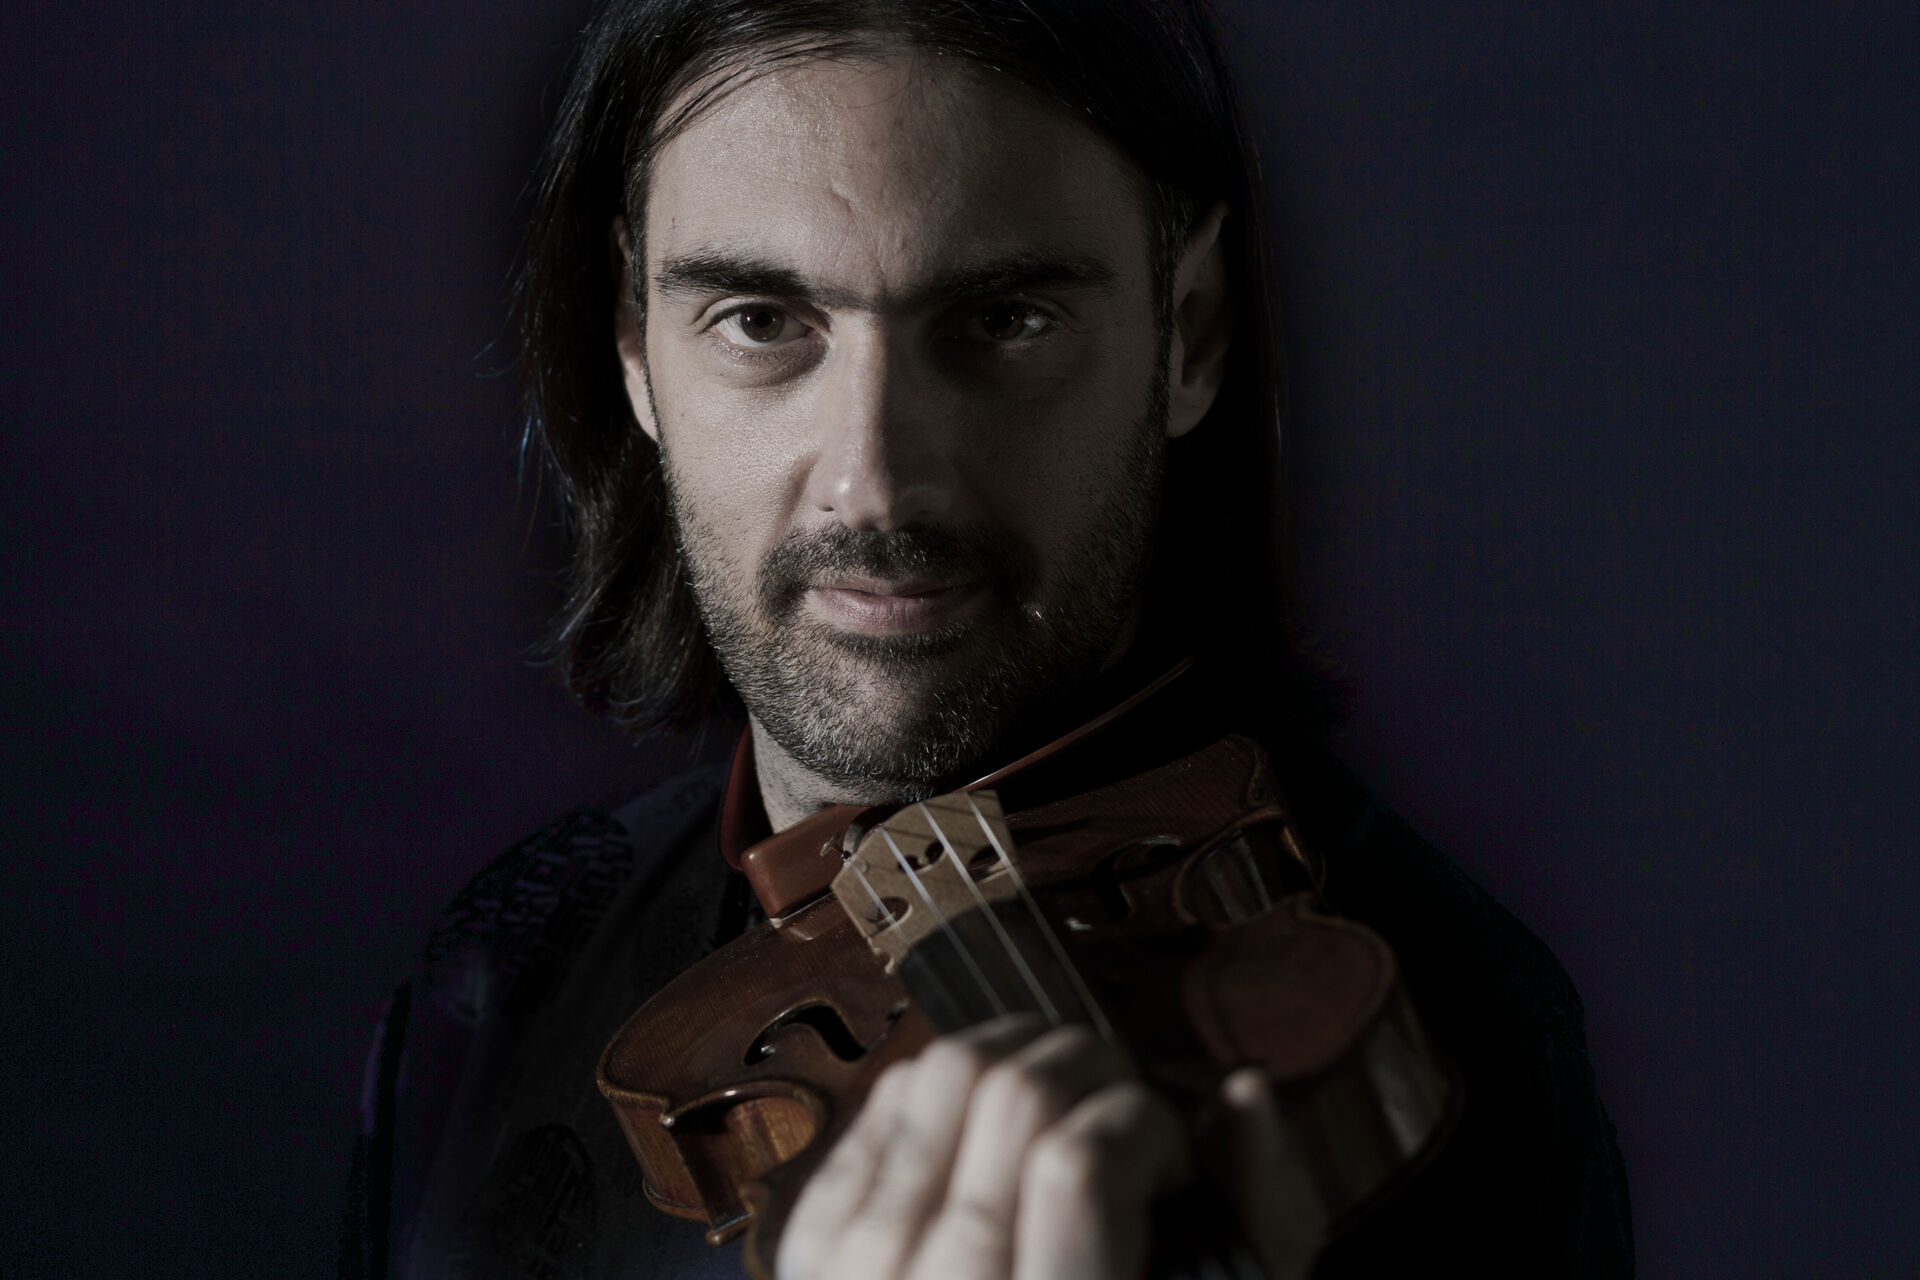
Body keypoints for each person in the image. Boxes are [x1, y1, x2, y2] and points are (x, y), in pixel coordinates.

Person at [340, 2, 1633, 1276]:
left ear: (1188, 334)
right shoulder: (499, 970)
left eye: (1006, 320)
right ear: (635, 341)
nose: (875, 484)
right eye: (761, 321)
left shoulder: (1446, 1047)